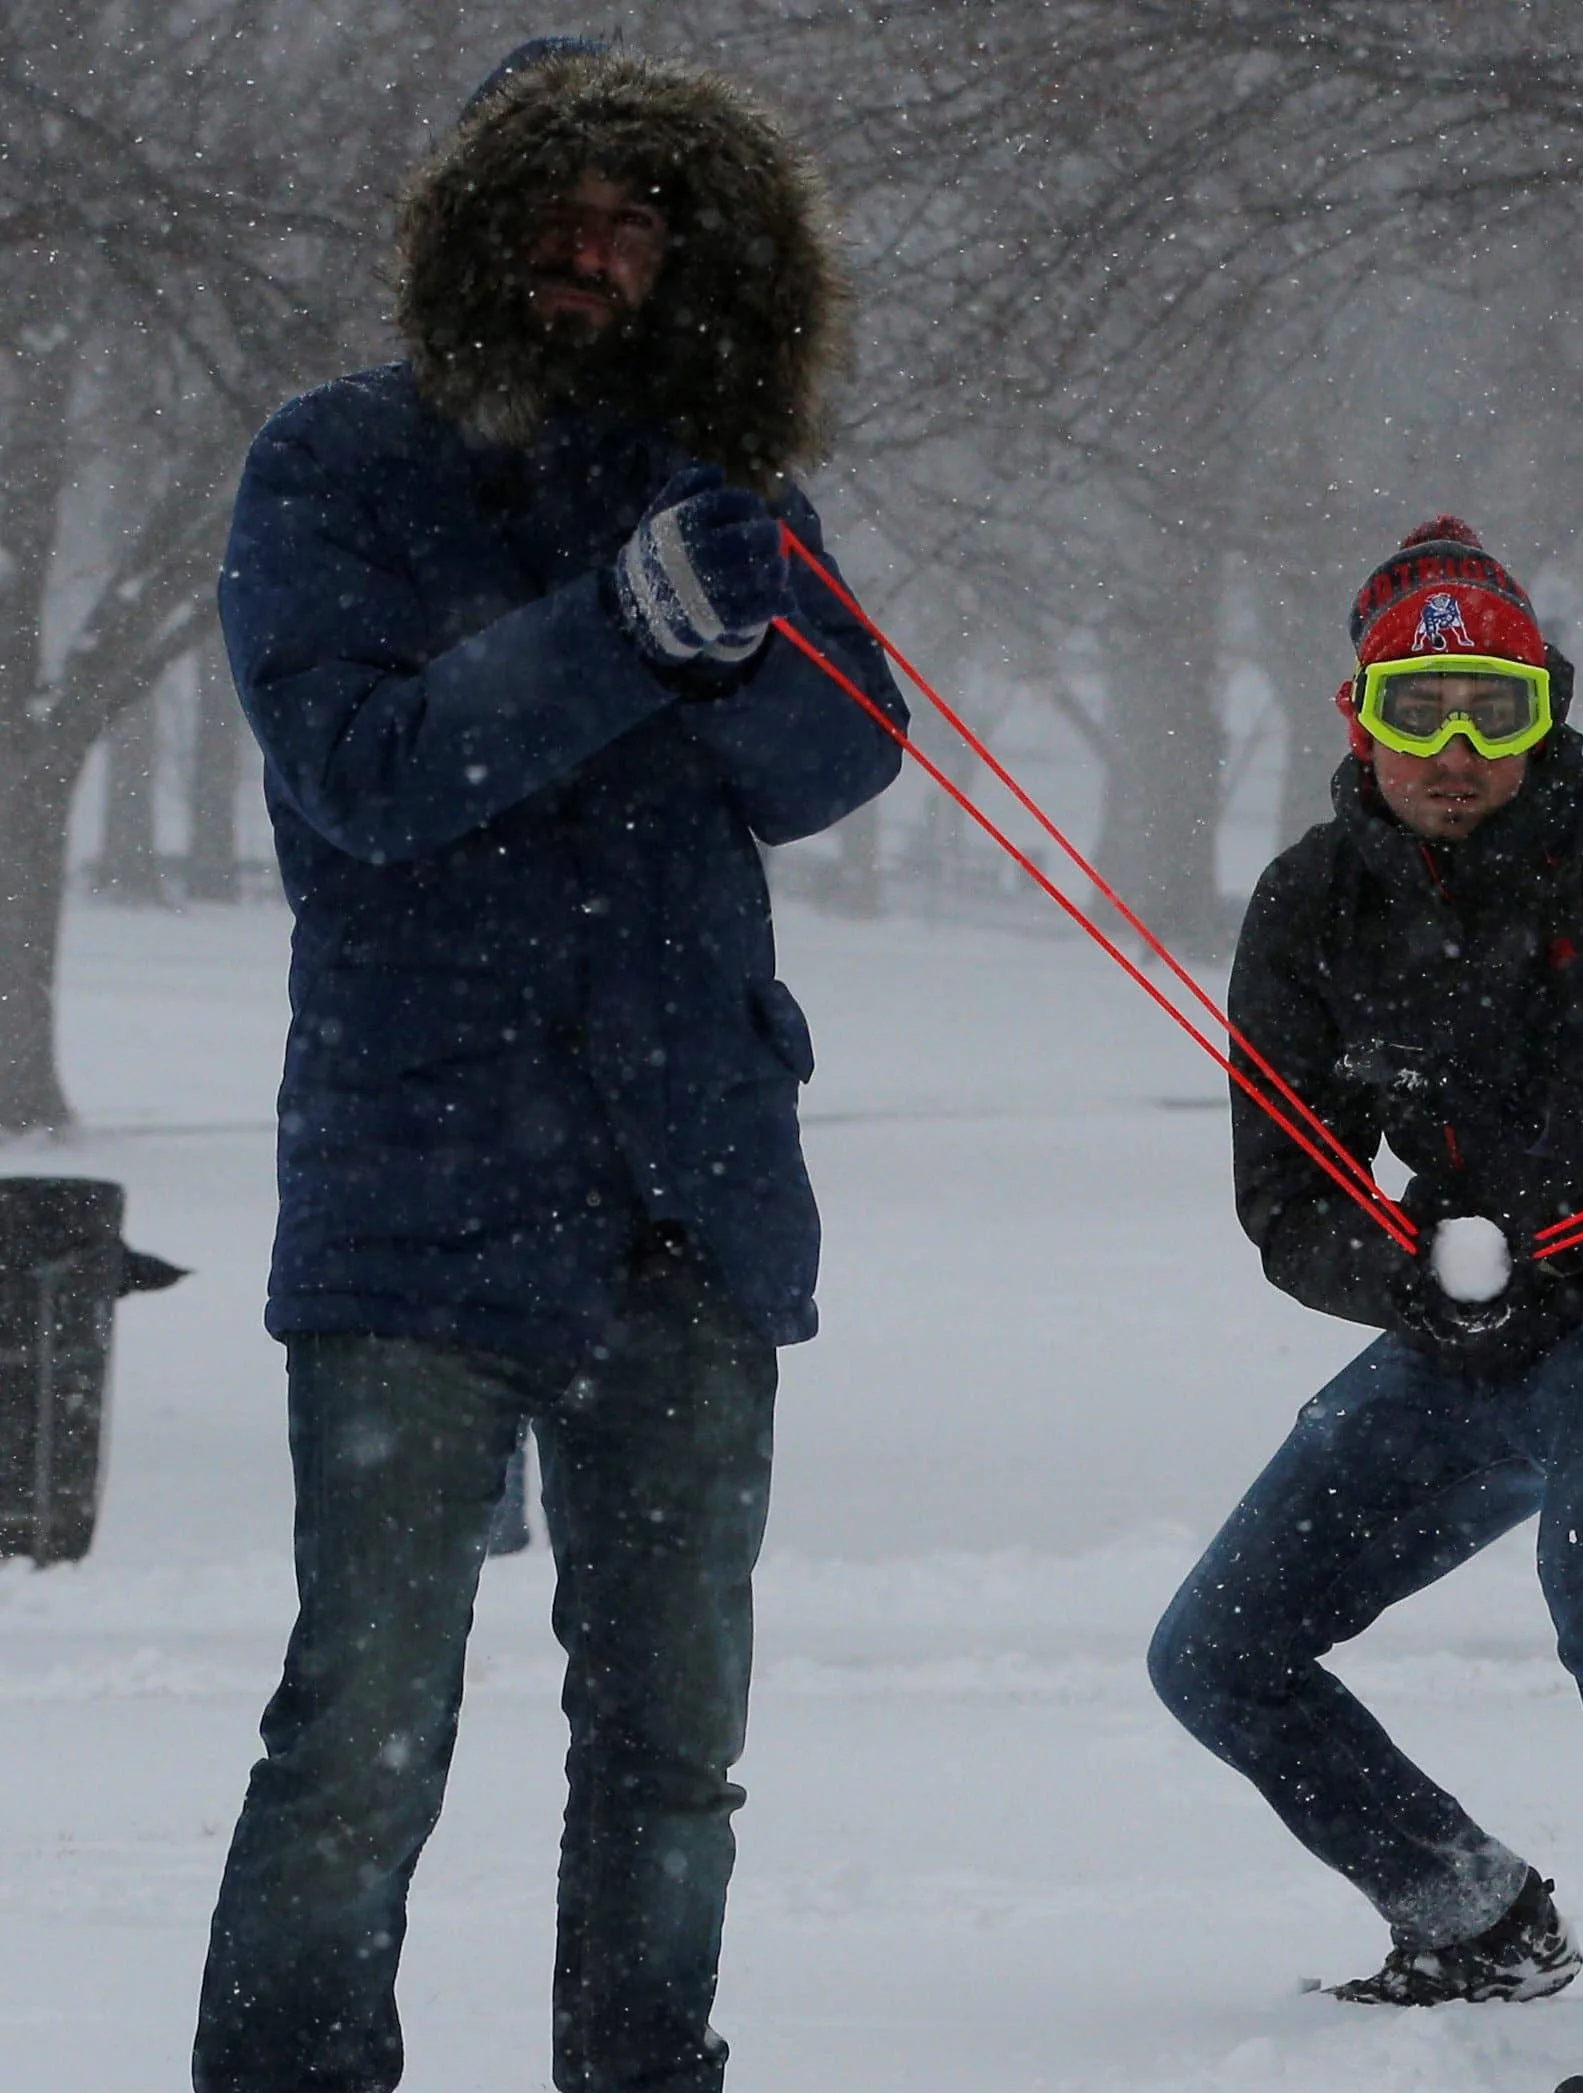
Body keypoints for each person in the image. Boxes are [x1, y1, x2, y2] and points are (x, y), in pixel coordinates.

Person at [196, 40, 904, 2093]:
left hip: (686, 1203)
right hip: (414, 1204)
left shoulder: (720, 479)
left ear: (692, 251)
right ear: (475, 229)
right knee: (360, 1735)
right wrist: (612, 634)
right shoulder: (329, 464)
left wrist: (733, 614)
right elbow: (365, 771)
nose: (594, 250)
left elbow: (839, 759)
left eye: (637, 216)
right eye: (556, 210)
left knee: (677, 1750)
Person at [1148, 519, 1583, 2093]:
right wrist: (1409, 1280)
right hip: (1476, 1317)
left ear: (1546, 709)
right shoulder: (1310, 904)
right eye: (1417, 710)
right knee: (1217, 1647)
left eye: (1494, 709)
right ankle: (1472, 1913)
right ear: (1358, 718)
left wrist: (1536, 1181)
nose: (1455, 750)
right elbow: (1287, 1200)